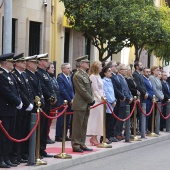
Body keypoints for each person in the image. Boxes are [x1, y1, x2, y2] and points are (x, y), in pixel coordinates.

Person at [0, 53, 23, 168]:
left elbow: (16, 90)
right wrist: (17, 101)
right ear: (5, 63)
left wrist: (18, 101)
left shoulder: (10, 75)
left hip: (11, 109)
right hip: (4, 110)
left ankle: (7, 157)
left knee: (10, 135)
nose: (13, 64)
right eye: (11, 62)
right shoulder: (1, 74)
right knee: (3, 136)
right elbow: (6, 91)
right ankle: (1, 158)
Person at [11, 53, 34, 163]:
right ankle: (16, 154)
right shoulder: (14, 74)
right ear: (17, 63)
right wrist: (26, 103)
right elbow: (19, 92)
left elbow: (28, 90)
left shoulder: (23, 75)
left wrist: (31, 102)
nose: (25, 63)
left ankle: (21, 153)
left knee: (24, 132)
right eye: (22, 62)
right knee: (17, 133)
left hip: (26, 108)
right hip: (20, 108)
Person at [71, 55, 95, 153]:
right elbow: (82, 90)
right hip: (80, 103)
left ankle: (82, 143)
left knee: (84, 125)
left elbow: (90, 89)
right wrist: (91, 99)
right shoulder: (77, 75)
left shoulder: (85, 74)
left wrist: (91, 99)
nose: (88, 64)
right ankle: (76, 144)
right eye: (86, 62)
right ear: (81, 64)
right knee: (78, 125)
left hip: (86, 103)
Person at [36, 53, 56, 158]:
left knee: (44, 129)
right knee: (41, 128)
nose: (47, 62)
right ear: (39, 62)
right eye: (45, 60)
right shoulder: (38, 73)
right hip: (43, 103)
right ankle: (38, 150)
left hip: (48, 104)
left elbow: (50, 86)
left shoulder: (45, 73)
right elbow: (43, 87)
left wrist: (53, 97)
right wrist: (50, 97)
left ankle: (42, 149)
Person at [86, 61, 105, 145]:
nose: (101, 67)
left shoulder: (98, 76)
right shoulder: (93, 77)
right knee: (95, 119)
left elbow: (101, 88)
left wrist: (104, 97)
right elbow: (95, 90)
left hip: (102, 100)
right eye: (100, 66)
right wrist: (100, 98)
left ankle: (96, 137)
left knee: (100, 120)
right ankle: (93, 137)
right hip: (96, 101)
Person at [107, 61, 125, 141]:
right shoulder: (111, 77)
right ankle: (110, 135)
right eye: (115, 66)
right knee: (111, 119)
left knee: (114, 119)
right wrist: (121, 96)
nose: (116, 67)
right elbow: (114, 89)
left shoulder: (115, 76)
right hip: (113, 99)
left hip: (117, 99)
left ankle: (112, 134)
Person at [55, 63, 74, 142]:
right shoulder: (60, 78)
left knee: (67, 119)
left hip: (69, 102)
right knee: (61, 119)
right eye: (67, 68)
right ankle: (58, 135)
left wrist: (73, 99)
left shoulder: (69, 77)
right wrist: (70, 100)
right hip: (63, 102)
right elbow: (62, 90)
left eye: (69, 68)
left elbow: (71, 90)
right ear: (63, 69)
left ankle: (64, 134)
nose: (69, 70)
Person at [115, 64, 133, 140]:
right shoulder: (119, 78)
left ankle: (119, 133)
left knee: (123, 118)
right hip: (123, 101)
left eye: (126, 69)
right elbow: (123, 90)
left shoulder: (123, 78)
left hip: (126, 100)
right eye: (124, 69)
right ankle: (117, 133)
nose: (126, 71)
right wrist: (128, 98)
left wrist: (131, 96)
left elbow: (128, 89)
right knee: (120, 118)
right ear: (120, 70)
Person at [100, 66, 117, 143]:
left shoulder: (110, 80)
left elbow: (112, 92)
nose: (111, 72)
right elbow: (106, 92)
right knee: (107, 121)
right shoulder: (104, 81)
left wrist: (114, 100)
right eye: (109, 71)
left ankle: (109, 135)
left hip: (112, 103)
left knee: (111, 121)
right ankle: (104, 137)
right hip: (107, 104)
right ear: (105, 73)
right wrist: (112, 101)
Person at [132, 61, 148, 133]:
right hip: (138, 96)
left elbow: (143, 85)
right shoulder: (135, 74)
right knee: (137, 113)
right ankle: (135, 129)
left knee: (140, 113)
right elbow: (138, 86)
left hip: (142, 96)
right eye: (140, 65)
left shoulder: (140, 75)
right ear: (137, 67)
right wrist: (144, 93)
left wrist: (145, 92)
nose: (142, 66)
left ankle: (139, 128)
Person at [46, 62, 60, 144]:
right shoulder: (48, 77)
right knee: (47, 121)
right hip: (50, 102)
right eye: (51, 67)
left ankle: (47, 135)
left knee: (50, 120)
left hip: (54, 102)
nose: (53, 69)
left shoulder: (53, 77)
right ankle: (46, 135)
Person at [149, 66, 164, 131]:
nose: (158, 71)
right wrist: (160, 97)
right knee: (153, 114)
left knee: (157, 114)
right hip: (155, 98)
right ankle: (151, 128)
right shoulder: (152, 78)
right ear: (153, 71)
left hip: (159, 98)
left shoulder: (157, 78)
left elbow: (160, 89)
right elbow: (154, 89)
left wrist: (162, 95)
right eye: (157, 70)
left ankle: (155, 127)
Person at [142, 67, 154, 133]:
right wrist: (151, 97)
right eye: (147, 72)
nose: (148, 73)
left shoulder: (149, 80)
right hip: (147, 99)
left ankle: (146, 128)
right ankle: (144, 129)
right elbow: (145, 90)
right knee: (145, 115)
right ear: (143, 72)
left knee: (148, 115)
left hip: (151, 100)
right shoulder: (143, 79)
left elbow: (151, 89)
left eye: (149, 72)